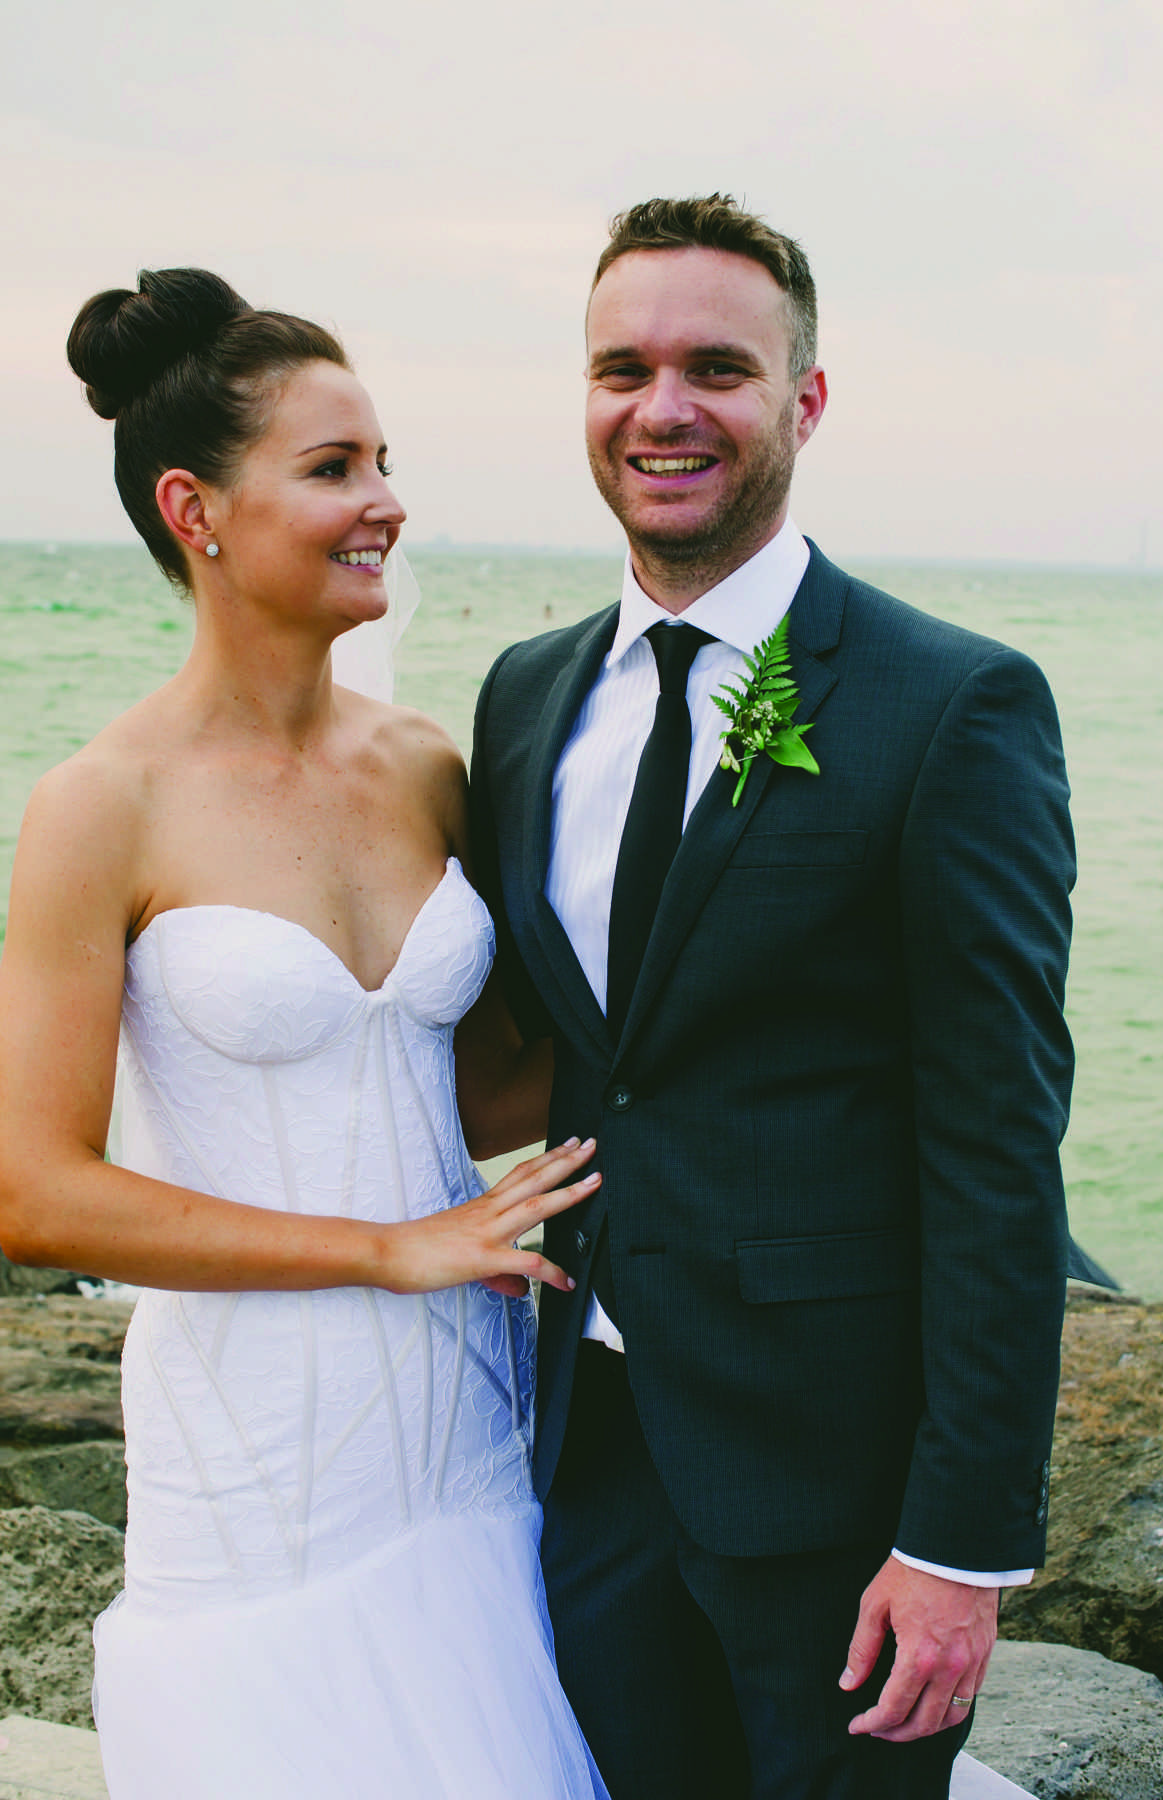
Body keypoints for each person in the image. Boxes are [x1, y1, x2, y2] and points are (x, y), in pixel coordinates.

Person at [469, 195, 1075, 1798]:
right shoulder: (529, 697)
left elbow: (1000, 1146)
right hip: (584, 1451)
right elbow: (580, 1061)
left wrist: (960, 1543)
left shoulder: (952, 705)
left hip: (835, 1498)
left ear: (803, 400)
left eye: (716, 368)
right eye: (622, 369)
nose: (662, 410)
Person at [0, 268, 609, 1799]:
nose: (386, 502)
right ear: (195, 511)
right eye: (334, 468)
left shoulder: (426, 768)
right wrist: (387, 1246)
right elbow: (33, 1192)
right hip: (260, 1447)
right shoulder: (99, 805)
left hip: (468, 1418)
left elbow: (471, 1085)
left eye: (385, 461)